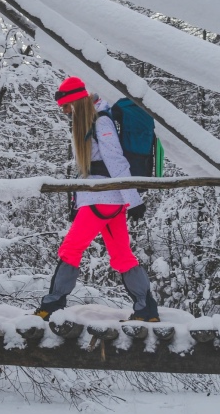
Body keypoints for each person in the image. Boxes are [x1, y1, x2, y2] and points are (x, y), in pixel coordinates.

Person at [34, 76, 160, 322]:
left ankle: (52, 306)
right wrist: (77, 203)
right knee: (122, 255)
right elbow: (90, 169)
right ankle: (146, 310)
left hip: (102, 199)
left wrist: (134, 200)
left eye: (66, 106)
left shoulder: (101, 122)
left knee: (70, 249)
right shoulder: (91, 122)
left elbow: (115, 162)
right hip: (103, 199)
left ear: (77, 102)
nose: (64, 112)